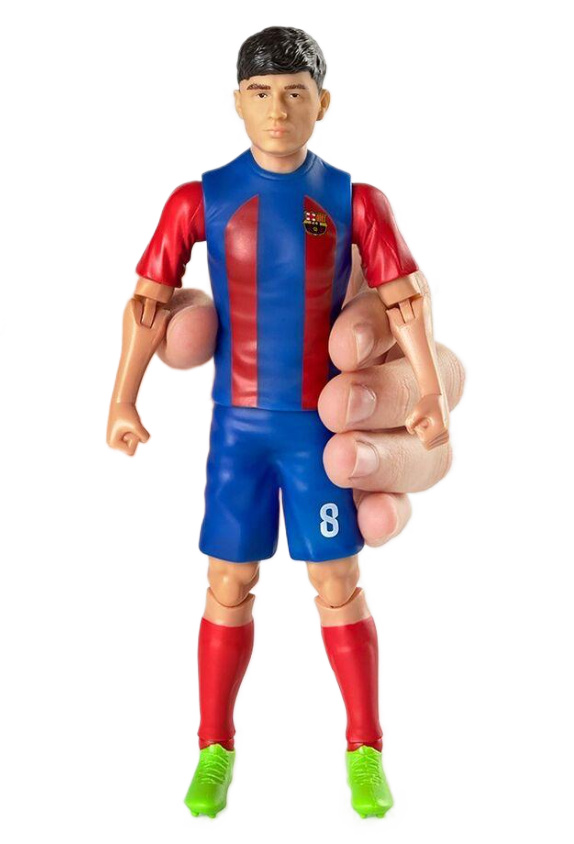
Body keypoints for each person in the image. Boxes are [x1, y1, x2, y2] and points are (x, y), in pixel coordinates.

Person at [107, 26, 463, 819]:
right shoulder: (199, 197)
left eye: (295, 93)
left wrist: (428, 389)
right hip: (237, 430)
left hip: (315, 430)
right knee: (227, 581)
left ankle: (365, 749)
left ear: (322, 104)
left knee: (337, 581)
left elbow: (403, 297)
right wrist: (123, 395)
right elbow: (149, 301)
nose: (277, 110)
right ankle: (213, 748)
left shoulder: (354, 200)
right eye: (261, 93)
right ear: (237, 102)